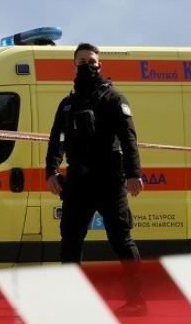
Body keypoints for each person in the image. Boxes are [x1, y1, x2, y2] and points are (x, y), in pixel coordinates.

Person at [45, 42, 143, 264]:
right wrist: (51, 171)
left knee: (120, 239)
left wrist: (133, 174)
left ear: (100, 65)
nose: (87, 65)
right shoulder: (67, 105)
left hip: (109, 181)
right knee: (70, 242)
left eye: (91, 62)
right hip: (78, 182)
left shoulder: (114, 98)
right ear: (74, 66)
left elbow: (128, 139)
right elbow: (57, 140)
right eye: (82, 62)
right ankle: (72, 286)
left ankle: (137, 287)